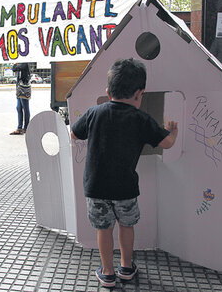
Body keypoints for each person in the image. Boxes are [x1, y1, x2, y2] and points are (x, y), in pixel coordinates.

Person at [71, 58, 178, 288]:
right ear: (140, 94)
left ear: (108, 92)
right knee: (126, 226)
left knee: (104, 229)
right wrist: (173, 131)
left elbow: (74, 134)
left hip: (96, 187)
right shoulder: (141, 119)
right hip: (125, 188)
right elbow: (167, 143)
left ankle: (108, 273)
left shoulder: (94, 112)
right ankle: (127, 267)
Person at [10, 63, 31, 135]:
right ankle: (19, 128)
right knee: (19, 107)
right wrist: (16, 66)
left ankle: (26, 127)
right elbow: (14, 68)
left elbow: (19, 67)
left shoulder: (25, 63)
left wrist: (17, 65)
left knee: (25, 108)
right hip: (19, 88)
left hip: (24, 87)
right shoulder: (21, 63)